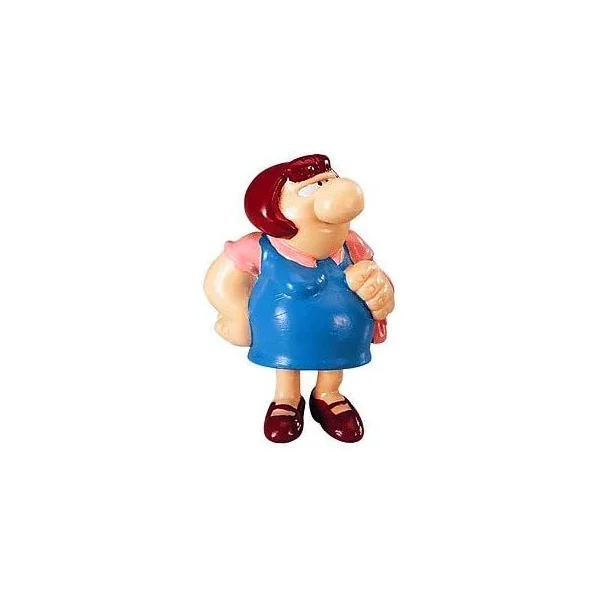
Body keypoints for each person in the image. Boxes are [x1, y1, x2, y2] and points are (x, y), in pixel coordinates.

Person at [204, 154, 395, 443]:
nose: (331, 190)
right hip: (283, 336)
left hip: (340, 337)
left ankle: (328, 393)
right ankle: (287, 397)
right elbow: (220, 279)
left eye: (329, 180)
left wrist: (380, 290)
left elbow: (375, 273)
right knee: (287, 367)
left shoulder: (351, 244)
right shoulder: (262, 247)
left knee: (332, 365)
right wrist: (236, 316)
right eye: (312, 187)